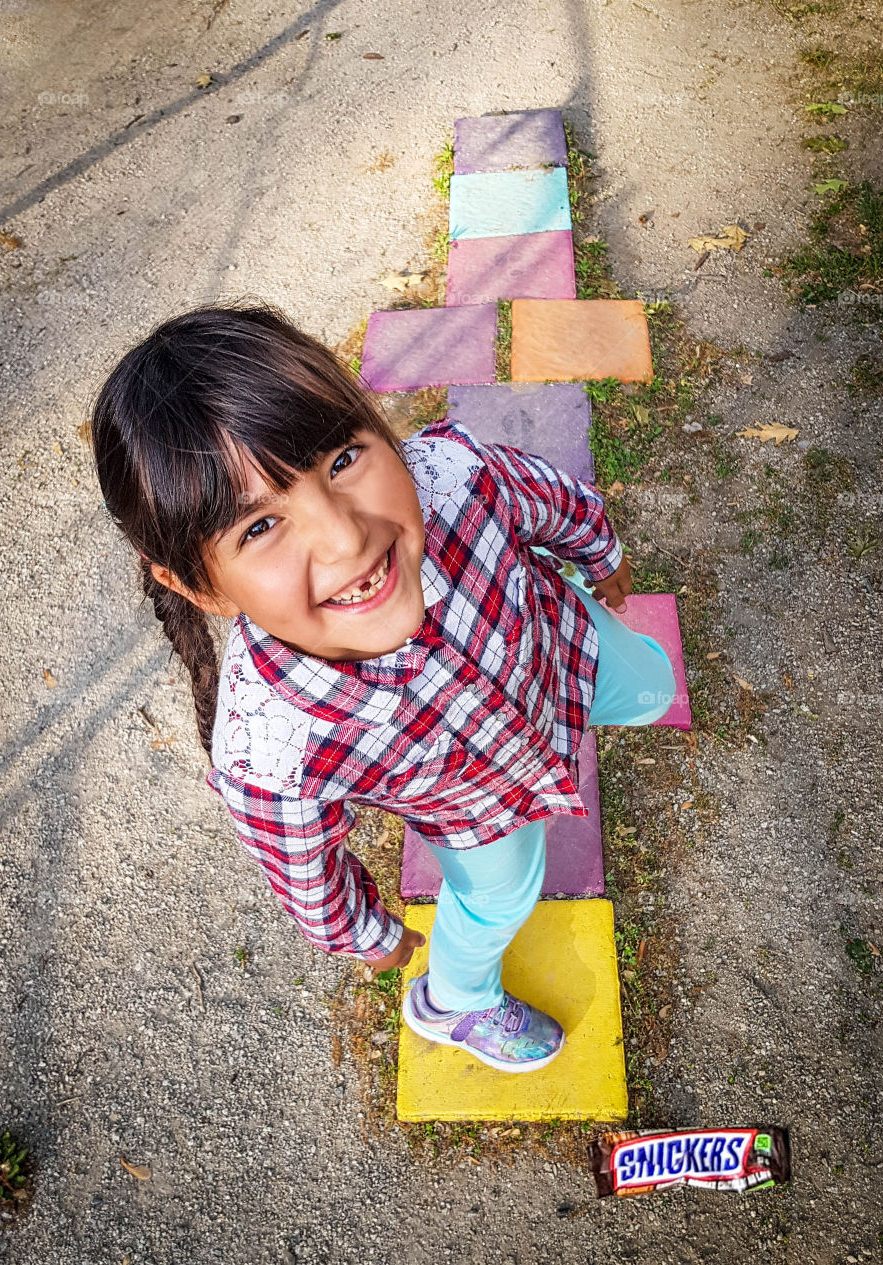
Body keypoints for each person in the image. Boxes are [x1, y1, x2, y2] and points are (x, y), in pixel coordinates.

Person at [90, 298, 677, 1075]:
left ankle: (591, 714)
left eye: (341, 460)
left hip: (562, 651)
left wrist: (598, 556)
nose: (346, 538)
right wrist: (366, 934)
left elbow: (551, 501)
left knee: (647, 681)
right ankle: (455, 1001)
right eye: (258, 527)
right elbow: (305, 867)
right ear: (199, 586)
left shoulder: (454, 479)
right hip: (481, 814)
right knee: (502, 897)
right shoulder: (272, 748)